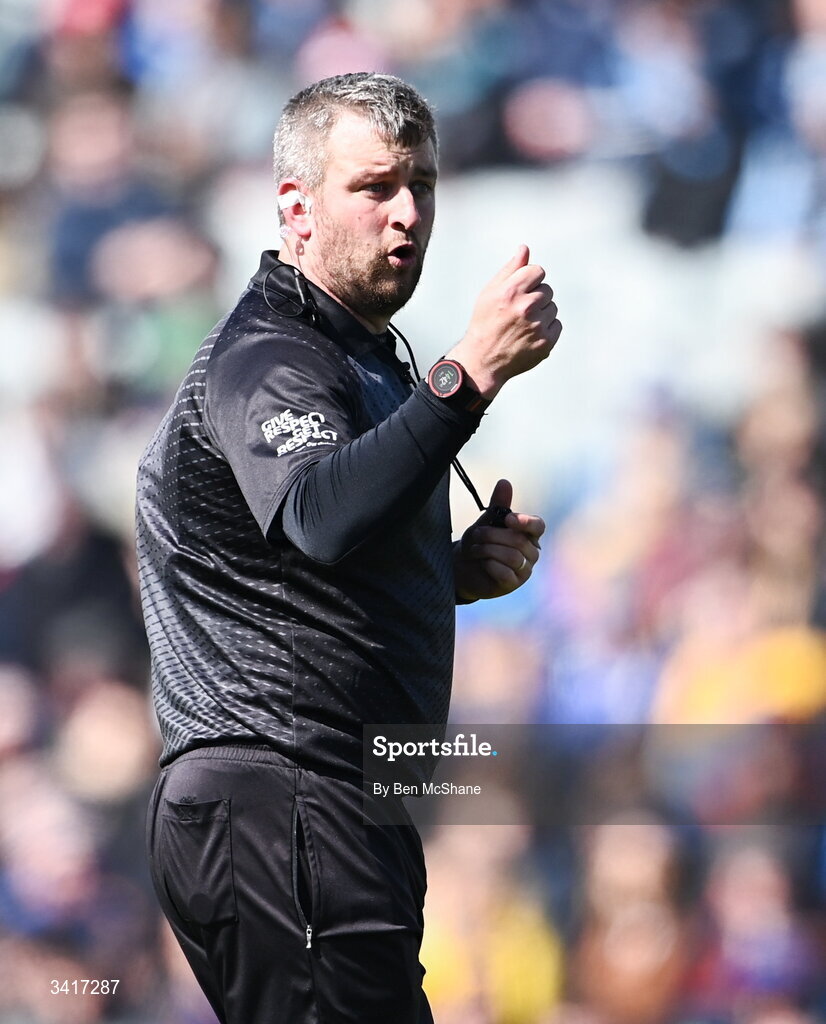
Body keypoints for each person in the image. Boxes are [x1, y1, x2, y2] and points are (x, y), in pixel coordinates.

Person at [136, 72, 561, 1024]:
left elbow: (290, 571)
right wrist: (469, 376)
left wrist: (445, 573)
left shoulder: (357, 357)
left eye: (423, 186)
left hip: (323, 803)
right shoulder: (270, 357)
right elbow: (322, 519)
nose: (407, 214)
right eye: (374, 188)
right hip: (278, 795)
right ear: (296, 206)